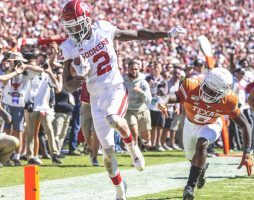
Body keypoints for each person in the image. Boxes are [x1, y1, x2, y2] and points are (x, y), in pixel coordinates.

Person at [60, 1, 186, 199]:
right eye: (70, 27)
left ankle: (132, 147)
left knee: (114, 119)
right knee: (107, 154)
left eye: (77, 25)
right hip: (95, 98)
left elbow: (137, 34)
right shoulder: (68, 46)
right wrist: (79, 79)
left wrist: (166, 34)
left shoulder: (103, 28)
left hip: (115, 89)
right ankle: (120, 189)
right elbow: (66, 85)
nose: (74, 31)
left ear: (87, 20)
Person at [157, 67, 253, 200]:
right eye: (206, 87)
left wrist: (247, 153)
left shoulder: (229, 100)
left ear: (224, 92)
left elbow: (245, 124)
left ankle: (189, 187)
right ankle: (201, 169)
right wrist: (163, 101)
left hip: (211, 124)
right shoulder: (191, 85)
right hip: (190, 124)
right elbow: (175, 96)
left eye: (213, 92)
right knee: (191, 156)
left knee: (201, 144)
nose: (207, 93)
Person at [123, 59, 152, 147]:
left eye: (136, 69)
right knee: (134, 131)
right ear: (128, 69)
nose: (134, 71)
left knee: (146, 138)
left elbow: (148, 100)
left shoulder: (143, 82)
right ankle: (135, 151)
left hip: (142, 110)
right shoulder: (123, 82)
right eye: (132, 69)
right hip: (129, 110)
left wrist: (141, 92)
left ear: (139, 69)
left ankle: (143, 144)